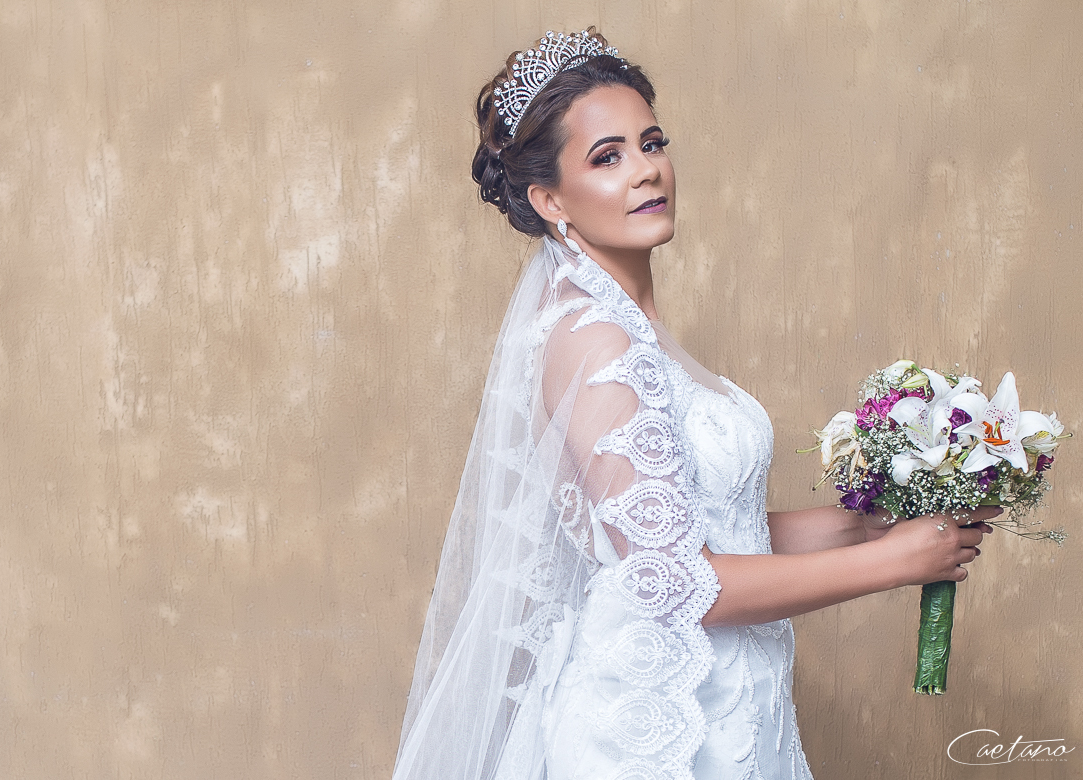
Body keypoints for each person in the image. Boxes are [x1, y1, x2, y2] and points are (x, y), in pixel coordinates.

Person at [392, 29, 997, 780]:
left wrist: (866, 524)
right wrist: (892, 562)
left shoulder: (631, 328)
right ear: (550, 201)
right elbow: (677, 581)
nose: (646, 170)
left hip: (734, 705)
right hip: (655, 730)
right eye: (607, 157)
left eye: (652, 144)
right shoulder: (595, 340)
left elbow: (714, 530)